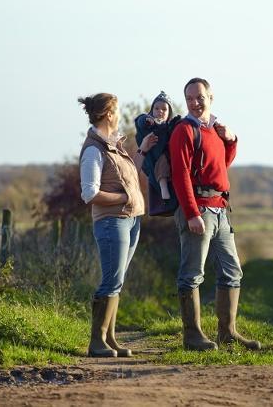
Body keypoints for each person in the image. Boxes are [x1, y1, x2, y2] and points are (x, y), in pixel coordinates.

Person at [170, 77, 261, 351]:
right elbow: (180, 175)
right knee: (192, 274)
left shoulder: (215, 129)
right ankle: (192, 335)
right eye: (189, 99)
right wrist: (191, 213)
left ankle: (227, 332)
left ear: (211, 97)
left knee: (233, 271)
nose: (195, 103)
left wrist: (231, 140)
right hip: (198, 209)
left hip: (221, 209)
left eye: (199, 97)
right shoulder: (184, 131)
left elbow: (221, 165)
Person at [78, 92, 157, 357]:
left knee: (117, 281)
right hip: (111, 222)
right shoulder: (93, 149)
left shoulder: (113, 145)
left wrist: (143, 149)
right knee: (111, 281)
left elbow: (129, 175)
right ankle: (96, 342)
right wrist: (124, 197)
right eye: (118, 110)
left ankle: (109, 339)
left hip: (130, 219)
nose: (120, 114)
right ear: (109, 113)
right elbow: (89, 194)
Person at [134, 91, 180, 202]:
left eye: (164, 109)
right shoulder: (149, 122)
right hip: (151, 159)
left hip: (167, 157)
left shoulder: (169, 126)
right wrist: (147, 121)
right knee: (161, 166)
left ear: (169, 113)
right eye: (156, 108)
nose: (160, 111)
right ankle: (163, 190)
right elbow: (140, 121)